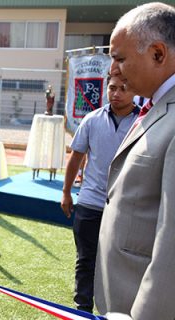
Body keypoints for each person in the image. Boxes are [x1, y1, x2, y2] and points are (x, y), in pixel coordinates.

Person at [94, 3, 175, 319]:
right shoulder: (156, 107)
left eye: (119, 58)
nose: (113, 69)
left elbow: (171, 244)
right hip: (123, 293)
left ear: (157, 54)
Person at [61, 74, 139, 313]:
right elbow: (76, 157)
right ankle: (81, 309)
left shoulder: (144, 122)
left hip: (125, 207)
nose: (116, 93)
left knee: (117, 265)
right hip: (89, 203)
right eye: (112, 88)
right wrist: (66, 192)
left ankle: (114, 312)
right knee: (85, 261)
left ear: (134, 90)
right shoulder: (92, 119)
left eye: (123, 88)